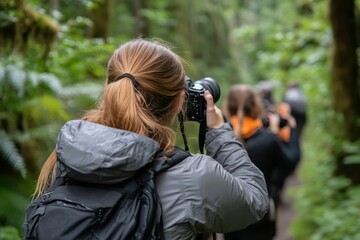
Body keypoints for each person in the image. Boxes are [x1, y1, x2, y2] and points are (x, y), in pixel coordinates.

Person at [33, 38, 269, 239]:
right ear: (179, 102)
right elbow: (256, 200)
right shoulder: (193, 177)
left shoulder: (68, 153)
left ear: (110, 87)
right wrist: (218, 130)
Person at [222, 84, 298, 240]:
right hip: (261, 217)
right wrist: (284, 132)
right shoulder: (267, 139)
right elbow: (290, 162)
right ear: (256, 105)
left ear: (228, 106)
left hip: (230, 217)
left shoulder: (220, 138)